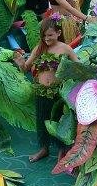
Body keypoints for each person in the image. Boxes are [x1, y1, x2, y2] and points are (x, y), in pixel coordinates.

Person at [14, 14, 79, 162]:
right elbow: (25, 68)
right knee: (42, 119)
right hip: (41, 91)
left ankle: (62, 150)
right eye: (44, 36)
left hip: (58, 92)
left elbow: (78, 66)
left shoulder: (66, 49)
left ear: (58, 33)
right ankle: (44, 149)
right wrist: (19, 62)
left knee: (59, 120)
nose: (47, 38)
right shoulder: (39, 48)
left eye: (50, 35)